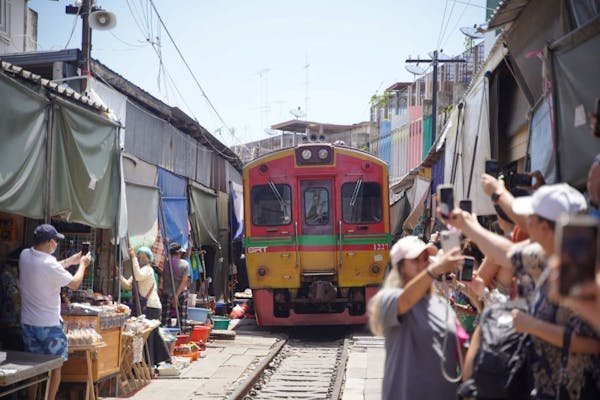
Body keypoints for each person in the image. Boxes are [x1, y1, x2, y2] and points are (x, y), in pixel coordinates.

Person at [447, 184, 600, 399]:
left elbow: (593, 344)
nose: (525, 222)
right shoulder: (544, 256)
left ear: (545, 227)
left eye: (531, 217)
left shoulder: (588, 270)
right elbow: (507, 252)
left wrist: (533, 326)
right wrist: (467, 226)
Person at [367, 235, 464, 400]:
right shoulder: (389, 297)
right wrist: (434, 270)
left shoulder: (440, 304)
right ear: (401, 267)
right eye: (415, 260)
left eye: (426, 258)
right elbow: (406, 300)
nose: (422, 264)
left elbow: (461, 346)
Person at [19, 224, 91, 400]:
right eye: (56, 241)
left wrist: (68, 262)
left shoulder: (25, 255)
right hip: (49, 325)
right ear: (50, 242)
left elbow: (45, 268)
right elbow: (74, 283)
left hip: (28, 323)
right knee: (56, 368)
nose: (56, 245)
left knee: (33, 368)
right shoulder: (49, 264)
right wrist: (82, 264)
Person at [118, 246, 171, 367]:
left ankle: (152, 361)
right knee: (150, 333)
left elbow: (138, 276)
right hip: (145, 306)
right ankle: (160, 360)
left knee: (150, 334)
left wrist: (133, 257)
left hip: (151, 305)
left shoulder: (148, 269)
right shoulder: (139, 270)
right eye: (139, 256)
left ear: (149, 259)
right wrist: (119, 275)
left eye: (144, 256)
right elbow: (127, 285)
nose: (141, 258)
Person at [160, 242, 190, 331]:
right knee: (182, 320)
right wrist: (176, 295)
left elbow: (161, 279)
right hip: (182, 294)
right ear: (179, 253)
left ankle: (165, 339)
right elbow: (184, 281)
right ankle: (181, 337)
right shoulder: (185, 264)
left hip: (167, 293)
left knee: (165, 320)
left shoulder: (164, 263)